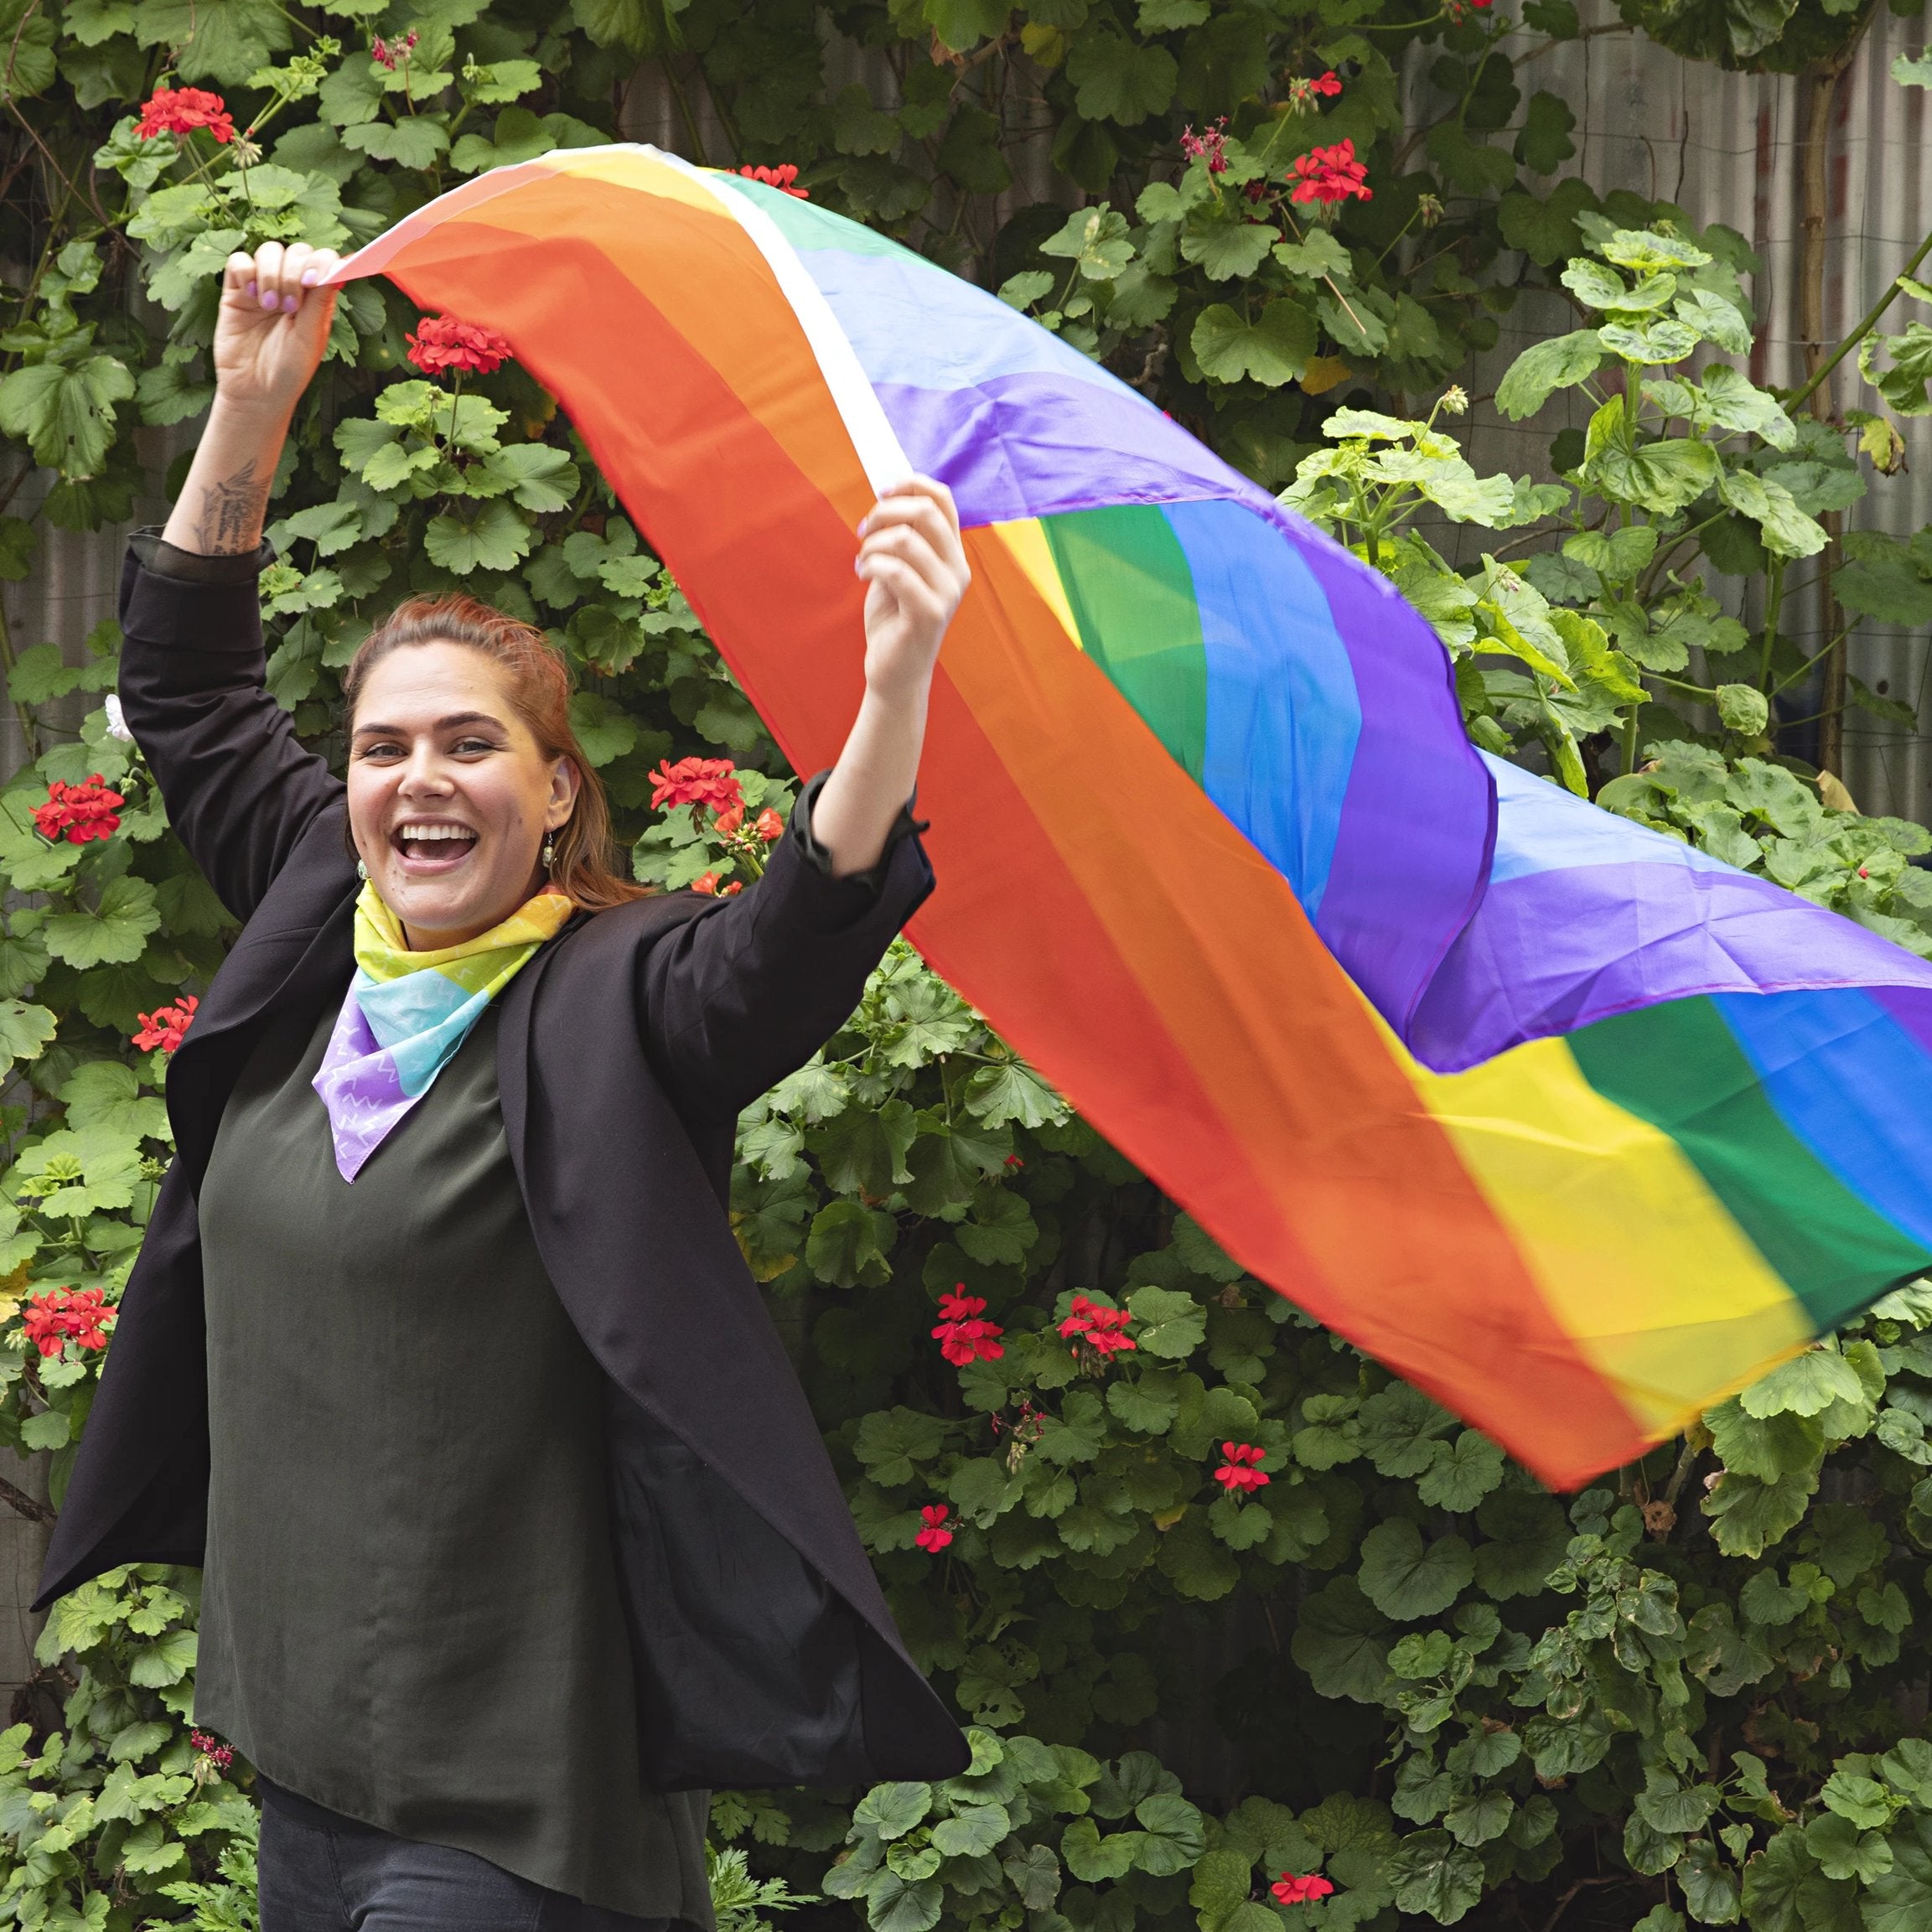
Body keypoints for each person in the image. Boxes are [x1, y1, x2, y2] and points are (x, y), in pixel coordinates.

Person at [34, 238, 973, 1932]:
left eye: (471, 744)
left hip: (520, 1816)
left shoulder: (620, 993)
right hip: (303, 1769)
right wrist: (250, 408)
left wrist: (894, 679)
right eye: (384, 747)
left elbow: (793, 942)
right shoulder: (327, 920)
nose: (418, 781)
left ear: (554, 796)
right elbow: (186, 692)